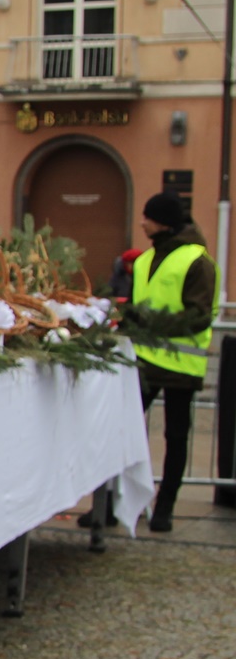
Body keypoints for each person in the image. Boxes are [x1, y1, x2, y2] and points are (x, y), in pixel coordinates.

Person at [122, 192, 217, 533]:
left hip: (180, 364)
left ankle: (165, 508)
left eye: (147, 217)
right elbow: (140, 305)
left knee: (175, 438)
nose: (142, 222)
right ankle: (116, 504)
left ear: (163, 222)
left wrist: (152, 323)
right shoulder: (145, 260)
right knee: (123, 432)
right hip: (143, 361)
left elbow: (199, 316)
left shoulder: (197, 261)